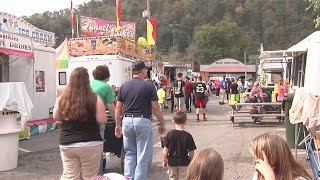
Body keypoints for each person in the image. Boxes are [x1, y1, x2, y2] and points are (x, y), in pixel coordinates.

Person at [114, 61, 166, 180]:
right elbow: (156, 108)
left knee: (129, 153)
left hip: (127, 121)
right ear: (142, 71)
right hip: (142, 120)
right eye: (146, 70)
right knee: (143, 155)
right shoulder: (149, 86)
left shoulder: (124, 86)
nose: (147, 71)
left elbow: (118, 107)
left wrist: (118, 124)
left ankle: (128, 177)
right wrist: (162, 123)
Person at [53, 67, 107, 180]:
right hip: (90, 142)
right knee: (90, 177)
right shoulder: (94, 98)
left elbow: (56, 117)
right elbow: (102, 119)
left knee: (70, 176)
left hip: (67, 143)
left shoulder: (62, 98)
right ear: (87, 81)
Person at [90, 65, 116, 174]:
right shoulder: (106, 87)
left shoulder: (88, 84)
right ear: (106, 75)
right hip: (98, 122)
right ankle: (98, 175)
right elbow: (111, 107)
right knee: (98, 151)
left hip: (85, 122)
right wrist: (118, 121)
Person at [162, 111, 197, 180]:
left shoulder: (170, 134)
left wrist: (164, 160)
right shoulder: (188, 135)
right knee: (183, 178)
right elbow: (191, 151)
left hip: (172, 161)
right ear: (186, 121)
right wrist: (192, 161)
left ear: (173, 121)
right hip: (184, 162)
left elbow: (165, 149)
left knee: (172, 178)